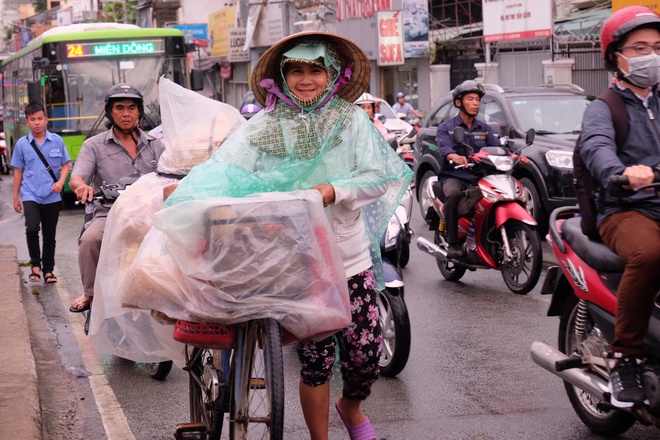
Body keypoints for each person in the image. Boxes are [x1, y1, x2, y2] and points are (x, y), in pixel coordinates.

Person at [163, 31, 412, 440]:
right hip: (292, 258)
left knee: (365, 354)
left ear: (333, 74)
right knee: (315, 359)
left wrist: (335, 190)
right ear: (282, 76)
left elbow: (377, 177)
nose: (306, 79)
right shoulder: (263, 125)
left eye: (315, 69)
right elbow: (228, 169)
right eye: (296, 70)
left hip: (348, 256)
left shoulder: (351, 121)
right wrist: (190, 190)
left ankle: (350, 407)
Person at [580, 5, 660, 408]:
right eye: (641, 47)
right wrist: (623, 172)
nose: (652, 56)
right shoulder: (604, 106)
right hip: (625, 209)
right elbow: (595, 148)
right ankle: (625, 357)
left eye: (658, 48)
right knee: (650, 254)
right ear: (616, 55)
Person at [68, 83, 165, 313]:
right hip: (109, 213)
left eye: (132, 108)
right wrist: (82, 187)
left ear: (140, 112)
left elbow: (173, 172)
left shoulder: (156, 146)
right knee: (90, 240)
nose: (126, 113)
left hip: (149, 214)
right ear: (110, 112)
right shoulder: (94, 145)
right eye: (119, 107)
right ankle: (90, 293)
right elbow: (77, 177)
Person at [433, 80, 499, 259]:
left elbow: (497, 148)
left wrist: (516, 156)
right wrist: (454, 156)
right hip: (454, 176)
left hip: (478, 177)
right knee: (454, 195)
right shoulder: (446, 128)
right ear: (458, 102)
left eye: (477, 99)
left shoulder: (484, 129)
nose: (475, 103)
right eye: (470, 99)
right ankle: (453, 243)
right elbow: (445, 150)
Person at [11, 102, 71, 283]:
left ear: (46, 120)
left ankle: (48, 271)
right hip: (30, 194)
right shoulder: (22, 144)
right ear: (27, 122)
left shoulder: (57, 141)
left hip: (51, 195)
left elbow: (66, 164)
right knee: (31, 228)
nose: (37, 123)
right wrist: (15, 197)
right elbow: (18, 171)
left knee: (49, 234)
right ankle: (35, 266)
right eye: (32, 119)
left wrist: (61, 182)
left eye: (39, 119)